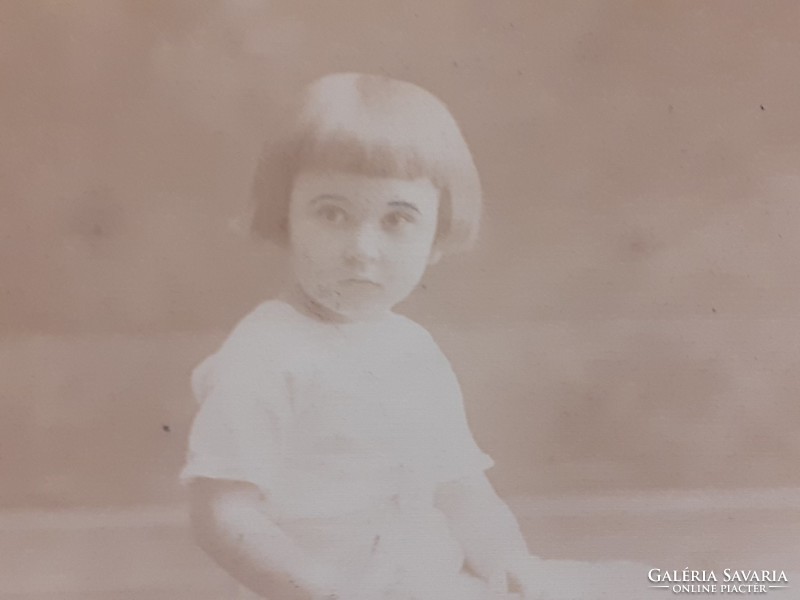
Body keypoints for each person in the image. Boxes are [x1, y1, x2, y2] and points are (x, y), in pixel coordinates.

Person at [180, 72, 536, 599]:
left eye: (397, 220)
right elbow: (224, 512)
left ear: (437, 236)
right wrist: (319, 589)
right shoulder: (266, 354)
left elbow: (461, 488)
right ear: (286, 217)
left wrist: (509, 563)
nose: (362, 249)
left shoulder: (414, 350)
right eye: (333, 214)